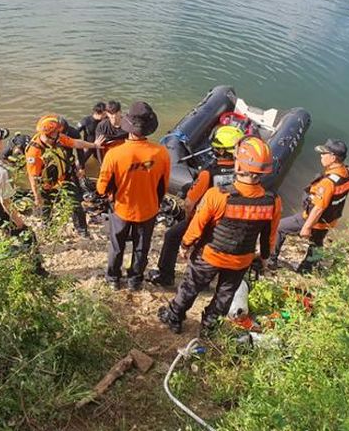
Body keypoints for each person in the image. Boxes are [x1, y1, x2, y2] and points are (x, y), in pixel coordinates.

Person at [158, 136, 282, 334]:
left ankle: (174, 316)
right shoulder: (272, 201)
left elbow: (197, 225)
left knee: (190, 287)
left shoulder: (218, 195)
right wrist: (265, 258)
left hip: (210, 255)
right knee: (225, 294)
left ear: (239, 165)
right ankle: (209, 326)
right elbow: (269, 235)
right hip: (241, 260)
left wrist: (185, 245)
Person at [146, 125, 244, 287]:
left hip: (208, 219)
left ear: (220, 150)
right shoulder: (242, 173)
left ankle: (165, 275)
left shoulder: (208, 174)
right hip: (232, 221)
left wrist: (189, 219)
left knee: (172, 236)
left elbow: (189, 202)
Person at [97, 102, 170, 291]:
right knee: (141, 247)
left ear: (128, 125)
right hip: (149, 209)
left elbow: (101, 187)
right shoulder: (161, 153)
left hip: (121, 208)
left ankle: (113, 278)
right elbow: (163, 185)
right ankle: (135, 280)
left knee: (117, 246)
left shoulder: (114, 154)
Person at [270, 138, 349, 272]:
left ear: (333, 158)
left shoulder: (328, 183)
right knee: (317, 242)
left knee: (280, 227)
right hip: (330, 219)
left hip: (314, 219)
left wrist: (307, 227)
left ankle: (270, 261)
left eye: (324, 153)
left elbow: (319, 208)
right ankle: (306, 269)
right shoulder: (348, 173)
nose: (321, 156)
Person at [25, 114, 104, 237]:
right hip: (47, 185)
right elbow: (32, 177)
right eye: (57, 132)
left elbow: (76, 143)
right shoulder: (34, 152)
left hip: (64, 178)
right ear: (49, 135)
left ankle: (82, 230)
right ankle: (47, 229)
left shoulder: (57, 138)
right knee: (46, 208)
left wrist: (94, 145)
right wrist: (36, 196)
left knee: (75, 203)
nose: (60, 134)